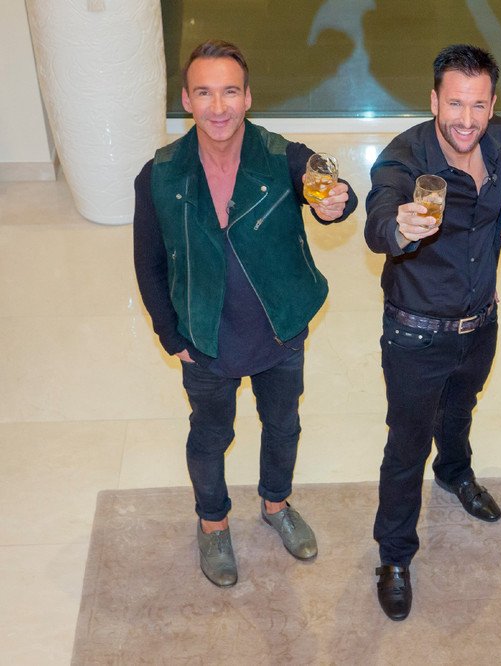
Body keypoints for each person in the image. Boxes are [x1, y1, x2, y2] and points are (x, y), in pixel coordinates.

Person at [133, 40, 357, 588]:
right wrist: (171, 336)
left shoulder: (282, 156)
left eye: (230, 91)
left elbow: (333, 191)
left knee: (283, 424)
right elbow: (148, 263)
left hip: (280, 329)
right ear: (187, 99)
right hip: (204, 336)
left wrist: (337, 202)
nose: (218, 107)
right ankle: (213, 523)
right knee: (210, 435)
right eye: (205, 93)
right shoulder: (159, 175)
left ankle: (276, 504)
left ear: (248, 97)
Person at [364, 44, 501, 621]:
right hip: (417, 336)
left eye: (478, 105)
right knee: (406, 446)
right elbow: (380, 221)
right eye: (454, 104)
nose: (466, 120)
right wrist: (398, 229)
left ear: (492, 105)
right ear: (433, 101)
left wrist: (487, 274)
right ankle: (394, 557)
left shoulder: (497, 139)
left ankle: (454, 473)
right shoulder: (403, 159)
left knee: (460, 410)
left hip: (480, 323)